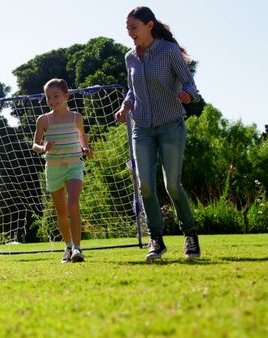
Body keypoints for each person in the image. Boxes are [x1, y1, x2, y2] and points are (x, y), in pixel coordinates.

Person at [115, 6, 201, 261]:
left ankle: (190, 235)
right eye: (128, 29)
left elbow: (189, 83)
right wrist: (124, 107)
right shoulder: (130, 57)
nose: (131, 33)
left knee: (172, 185)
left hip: (170, 124)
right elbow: (132, 91)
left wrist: (188, 94)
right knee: (145, 186)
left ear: (149, 25)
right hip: (141, 127)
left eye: (134, 27)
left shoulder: (168, 51)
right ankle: (157, 239)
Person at [32, 78, 92, 263]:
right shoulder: (43, 120)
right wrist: (44, 148)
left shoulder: (76, 118)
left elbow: (82, 137)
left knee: (73, 204)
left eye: (56, 96)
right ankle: (67, 247)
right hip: (53, 169)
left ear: (66, 96)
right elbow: (34, 145)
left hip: (74, 165)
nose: (52, 100)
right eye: (48, 97)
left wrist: (86, 148)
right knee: (62, 213)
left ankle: (77, 249)